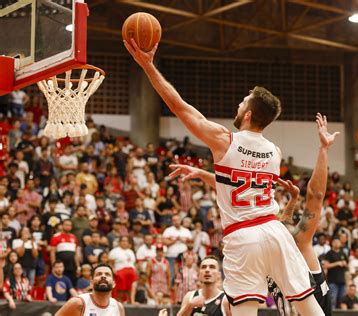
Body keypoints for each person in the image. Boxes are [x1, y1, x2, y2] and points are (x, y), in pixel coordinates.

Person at [125, 38, 323, 316]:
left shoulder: (224, 140)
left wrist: (148, 66)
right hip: (275, 231)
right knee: (308, 306)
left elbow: (179, 107)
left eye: (242, 103)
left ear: (248, 113)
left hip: (243, 237)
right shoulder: (275, 152)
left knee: (244, 311)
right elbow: (243, 181)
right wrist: (206, 174)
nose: (238, 106)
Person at [168, 113, 338, 316]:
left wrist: (324, 149)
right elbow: (242, 191)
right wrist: (203, 174)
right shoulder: (270, 248)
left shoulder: (300, 243)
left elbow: (316, 196)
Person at [55, 263, 125, 316]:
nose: (103, 276)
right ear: (91, 283)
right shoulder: (78, 303)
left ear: (113, 284)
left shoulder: (119, 307)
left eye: (107, 274)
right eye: (99, 274)